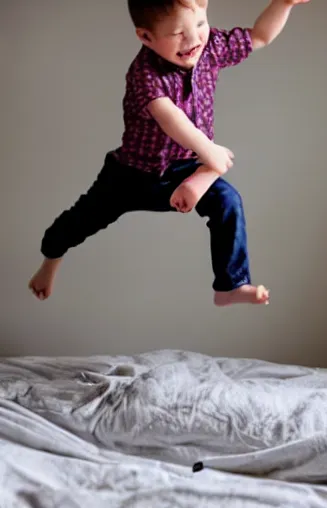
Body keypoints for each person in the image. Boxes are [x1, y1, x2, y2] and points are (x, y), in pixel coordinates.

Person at [28, 0, 310, 306]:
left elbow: (259, 37)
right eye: (178, 33)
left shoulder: (211, 46)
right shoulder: (145, 73)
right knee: (79, 221)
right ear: (146, 37)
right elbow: (170, 118)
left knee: (228, 201)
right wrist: (209, 152)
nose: (193, 41)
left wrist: (284, 4)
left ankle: (229, 285)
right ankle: (50, 260)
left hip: (182, 167)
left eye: (200, 25)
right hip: (131, 173)